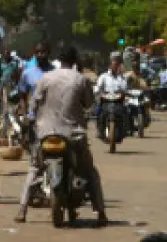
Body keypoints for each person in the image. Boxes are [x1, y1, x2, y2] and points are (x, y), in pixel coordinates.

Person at [15, 45, 106, 226]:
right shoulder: (81, 80)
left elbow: (33, 106)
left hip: (45, 133)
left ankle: (22, 209)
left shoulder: (46, 78)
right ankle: (101, 211)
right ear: (74, 61)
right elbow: (88, 104)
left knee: (34, 169)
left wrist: (31, 122)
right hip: (73, 134)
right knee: (90, 171)